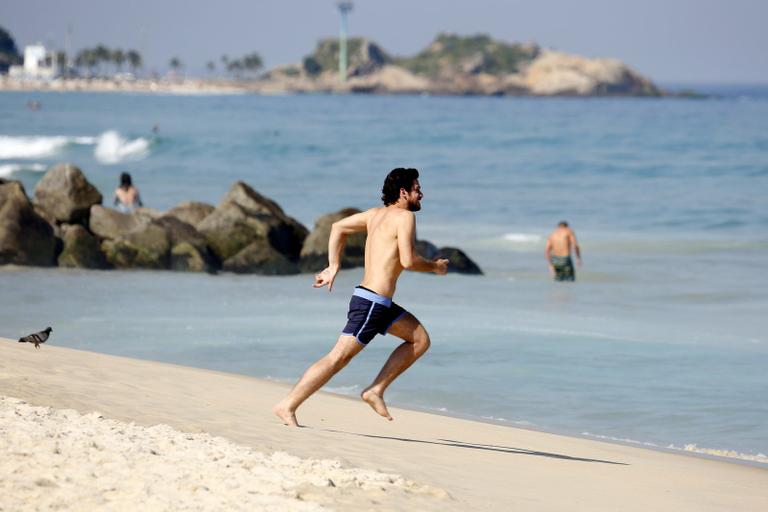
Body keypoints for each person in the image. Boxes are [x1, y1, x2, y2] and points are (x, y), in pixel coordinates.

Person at [273, 168, 449, 427]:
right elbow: (408, 260)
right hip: (371, 304)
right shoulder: (404, 217)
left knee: (419, 340)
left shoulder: (374, 215)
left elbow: (338, 227)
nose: (421, 193)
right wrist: (435, 267)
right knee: (338, 358)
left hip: (377, 302)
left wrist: (334, 265)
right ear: (403, 192)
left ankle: (375, 390)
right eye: (416, 188)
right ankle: (287, 405)